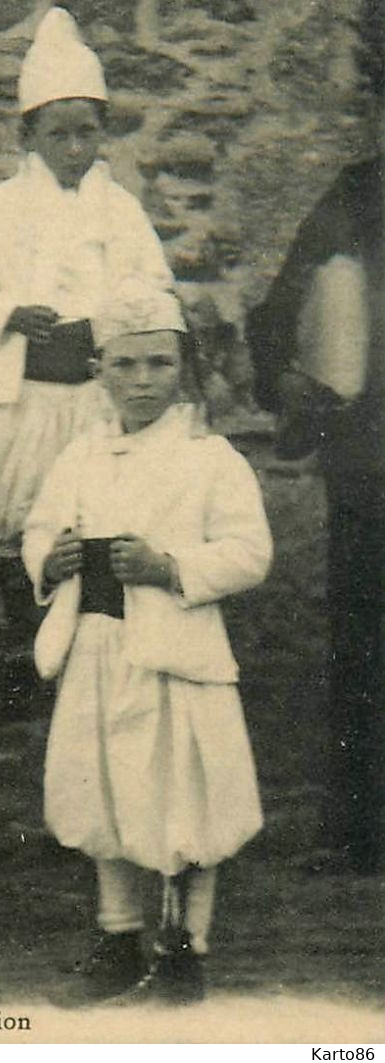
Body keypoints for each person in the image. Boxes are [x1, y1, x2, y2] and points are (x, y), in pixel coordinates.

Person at [24, 283, 272, 1004]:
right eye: (124, 365)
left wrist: (171, 568)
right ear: (100, 368)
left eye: (157, 364)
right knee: (102, 787)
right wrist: (51, 557)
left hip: (174, 654)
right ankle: (115, 932)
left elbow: (249, 551)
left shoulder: (210, 456)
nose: (140, 381)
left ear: (181, 368)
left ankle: (182, 945)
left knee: (179, 793)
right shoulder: (79, 454)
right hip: (98, 647)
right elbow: (41, 525)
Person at [0, 6, 174, 618]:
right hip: (24, 394)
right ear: (28, 136)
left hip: (92, 390)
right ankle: (22, 633)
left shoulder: (120, 209)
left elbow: (152, 282)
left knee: (93, 513)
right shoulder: (0, 207)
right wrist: (9, 312)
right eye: (58, 134)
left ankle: (94, 629)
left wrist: (110, 317)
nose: (74, 148)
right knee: (21, 517)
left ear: (102, 134)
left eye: (86, 133)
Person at [246, 150, 384, 876]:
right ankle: (362, 830)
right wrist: (287, 381)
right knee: (364, 637)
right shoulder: (362, 189)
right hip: (370, 462)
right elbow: (286, 301)